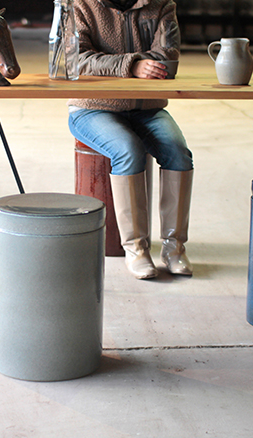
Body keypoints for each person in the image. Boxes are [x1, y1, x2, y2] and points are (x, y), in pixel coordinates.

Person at [68, 0, 194, 280]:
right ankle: (136, 249)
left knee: (178, 152)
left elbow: (167, 55)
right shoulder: (81, 5)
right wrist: (133, 65)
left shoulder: (161, 5)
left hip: (147, 108)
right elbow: (76, 58)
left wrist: (113, 62)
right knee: (128, 150)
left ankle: (174, 248)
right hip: (92, 108)